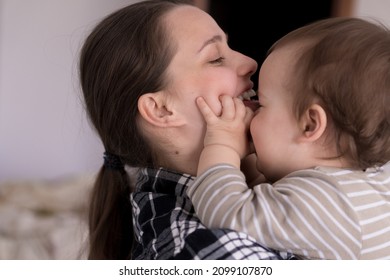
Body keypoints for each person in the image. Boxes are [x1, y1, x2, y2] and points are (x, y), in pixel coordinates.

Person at [79, 0, 294, 260]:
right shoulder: (203, 251)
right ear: (161, 110)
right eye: (215, 58)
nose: (250, 62)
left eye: (229, 46)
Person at [187, 17, 390, 259]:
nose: (251, 111)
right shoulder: (364, 181)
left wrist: (222, 142)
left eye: (261, 104)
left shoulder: (324, 202)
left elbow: (226, 212)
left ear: (310, 125)